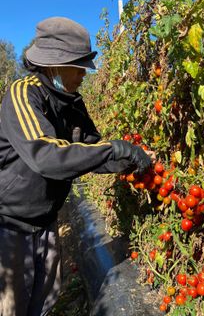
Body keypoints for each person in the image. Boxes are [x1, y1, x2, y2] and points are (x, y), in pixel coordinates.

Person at [0, 16, 152, 316]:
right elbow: (46, 156)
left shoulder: (71, 103)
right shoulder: (23, 94)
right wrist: (112, 148)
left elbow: (93, 153)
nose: (85, 73)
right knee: (10, 307)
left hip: (45, 222)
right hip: (8, 226)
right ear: (56, 65)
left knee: (43, 302)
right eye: (80, 65)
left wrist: (129, 160)